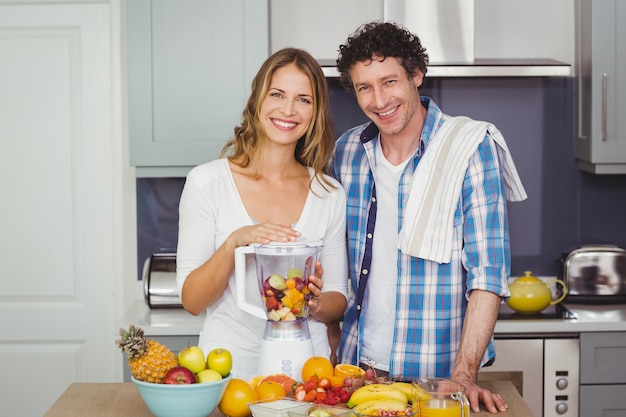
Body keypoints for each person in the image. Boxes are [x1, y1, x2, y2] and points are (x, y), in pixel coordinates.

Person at [331, 22, 527, 413]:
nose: (379, 99)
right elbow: (333, 258)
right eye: (364, 87)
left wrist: (465, 374)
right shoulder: (347, 151)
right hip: (355, 370)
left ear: (416, 75)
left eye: (389, 81)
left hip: (436, 380)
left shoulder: (470, 148)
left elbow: (488, 272)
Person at [176, 48, 348, 381]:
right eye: (277, 94)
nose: (288, 109)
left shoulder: (329, 193)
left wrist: (313, 301)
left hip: (308, 374)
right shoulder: (207, 183)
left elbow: (337, 300)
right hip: (228, 374)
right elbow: (193, 301)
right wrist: (233, 243)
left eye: (303, 99)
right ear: (258, 99)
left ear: (316, 112)